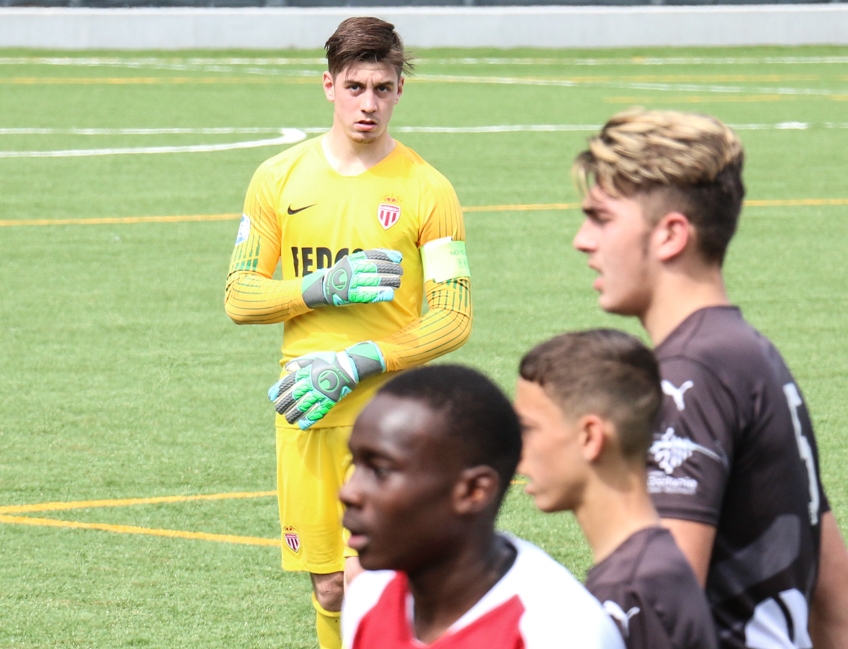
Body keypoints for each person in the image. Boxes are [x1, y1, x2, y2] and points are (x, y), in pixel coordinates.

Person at [223, 17, 472, 648]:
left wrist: (357, 360)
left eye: (382, 89)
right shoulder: (277, 178)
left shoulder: (429, 189)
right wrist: (320, 287)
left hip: (389, 416)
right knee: (331, 589)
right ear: (328, 85)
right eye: (355, 87)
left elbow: (453, 316)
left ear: (399, 91)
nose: (368, 104)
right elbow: (239, 297)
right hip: (307, 408)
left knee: (372, 583)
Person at [572, 108, 848, 648]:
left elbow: (663, 615)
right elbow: (835, 603)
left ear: (671, 235)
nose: (583, 240)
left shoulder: (687, 378)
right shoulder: (751, 354)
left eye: (601, 218)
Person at [339, 365, 624, 648]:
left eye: (380, 470)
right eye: (356, 464)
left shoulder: (559, 631)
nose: (348, 492)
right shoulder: (370, 594)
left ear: (474, 491)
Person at [515, 329, 717, 648]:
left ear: (590, 438)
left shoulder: (627, 592)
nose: (519, 453)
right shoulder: (653, 565)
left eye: (529, 429)